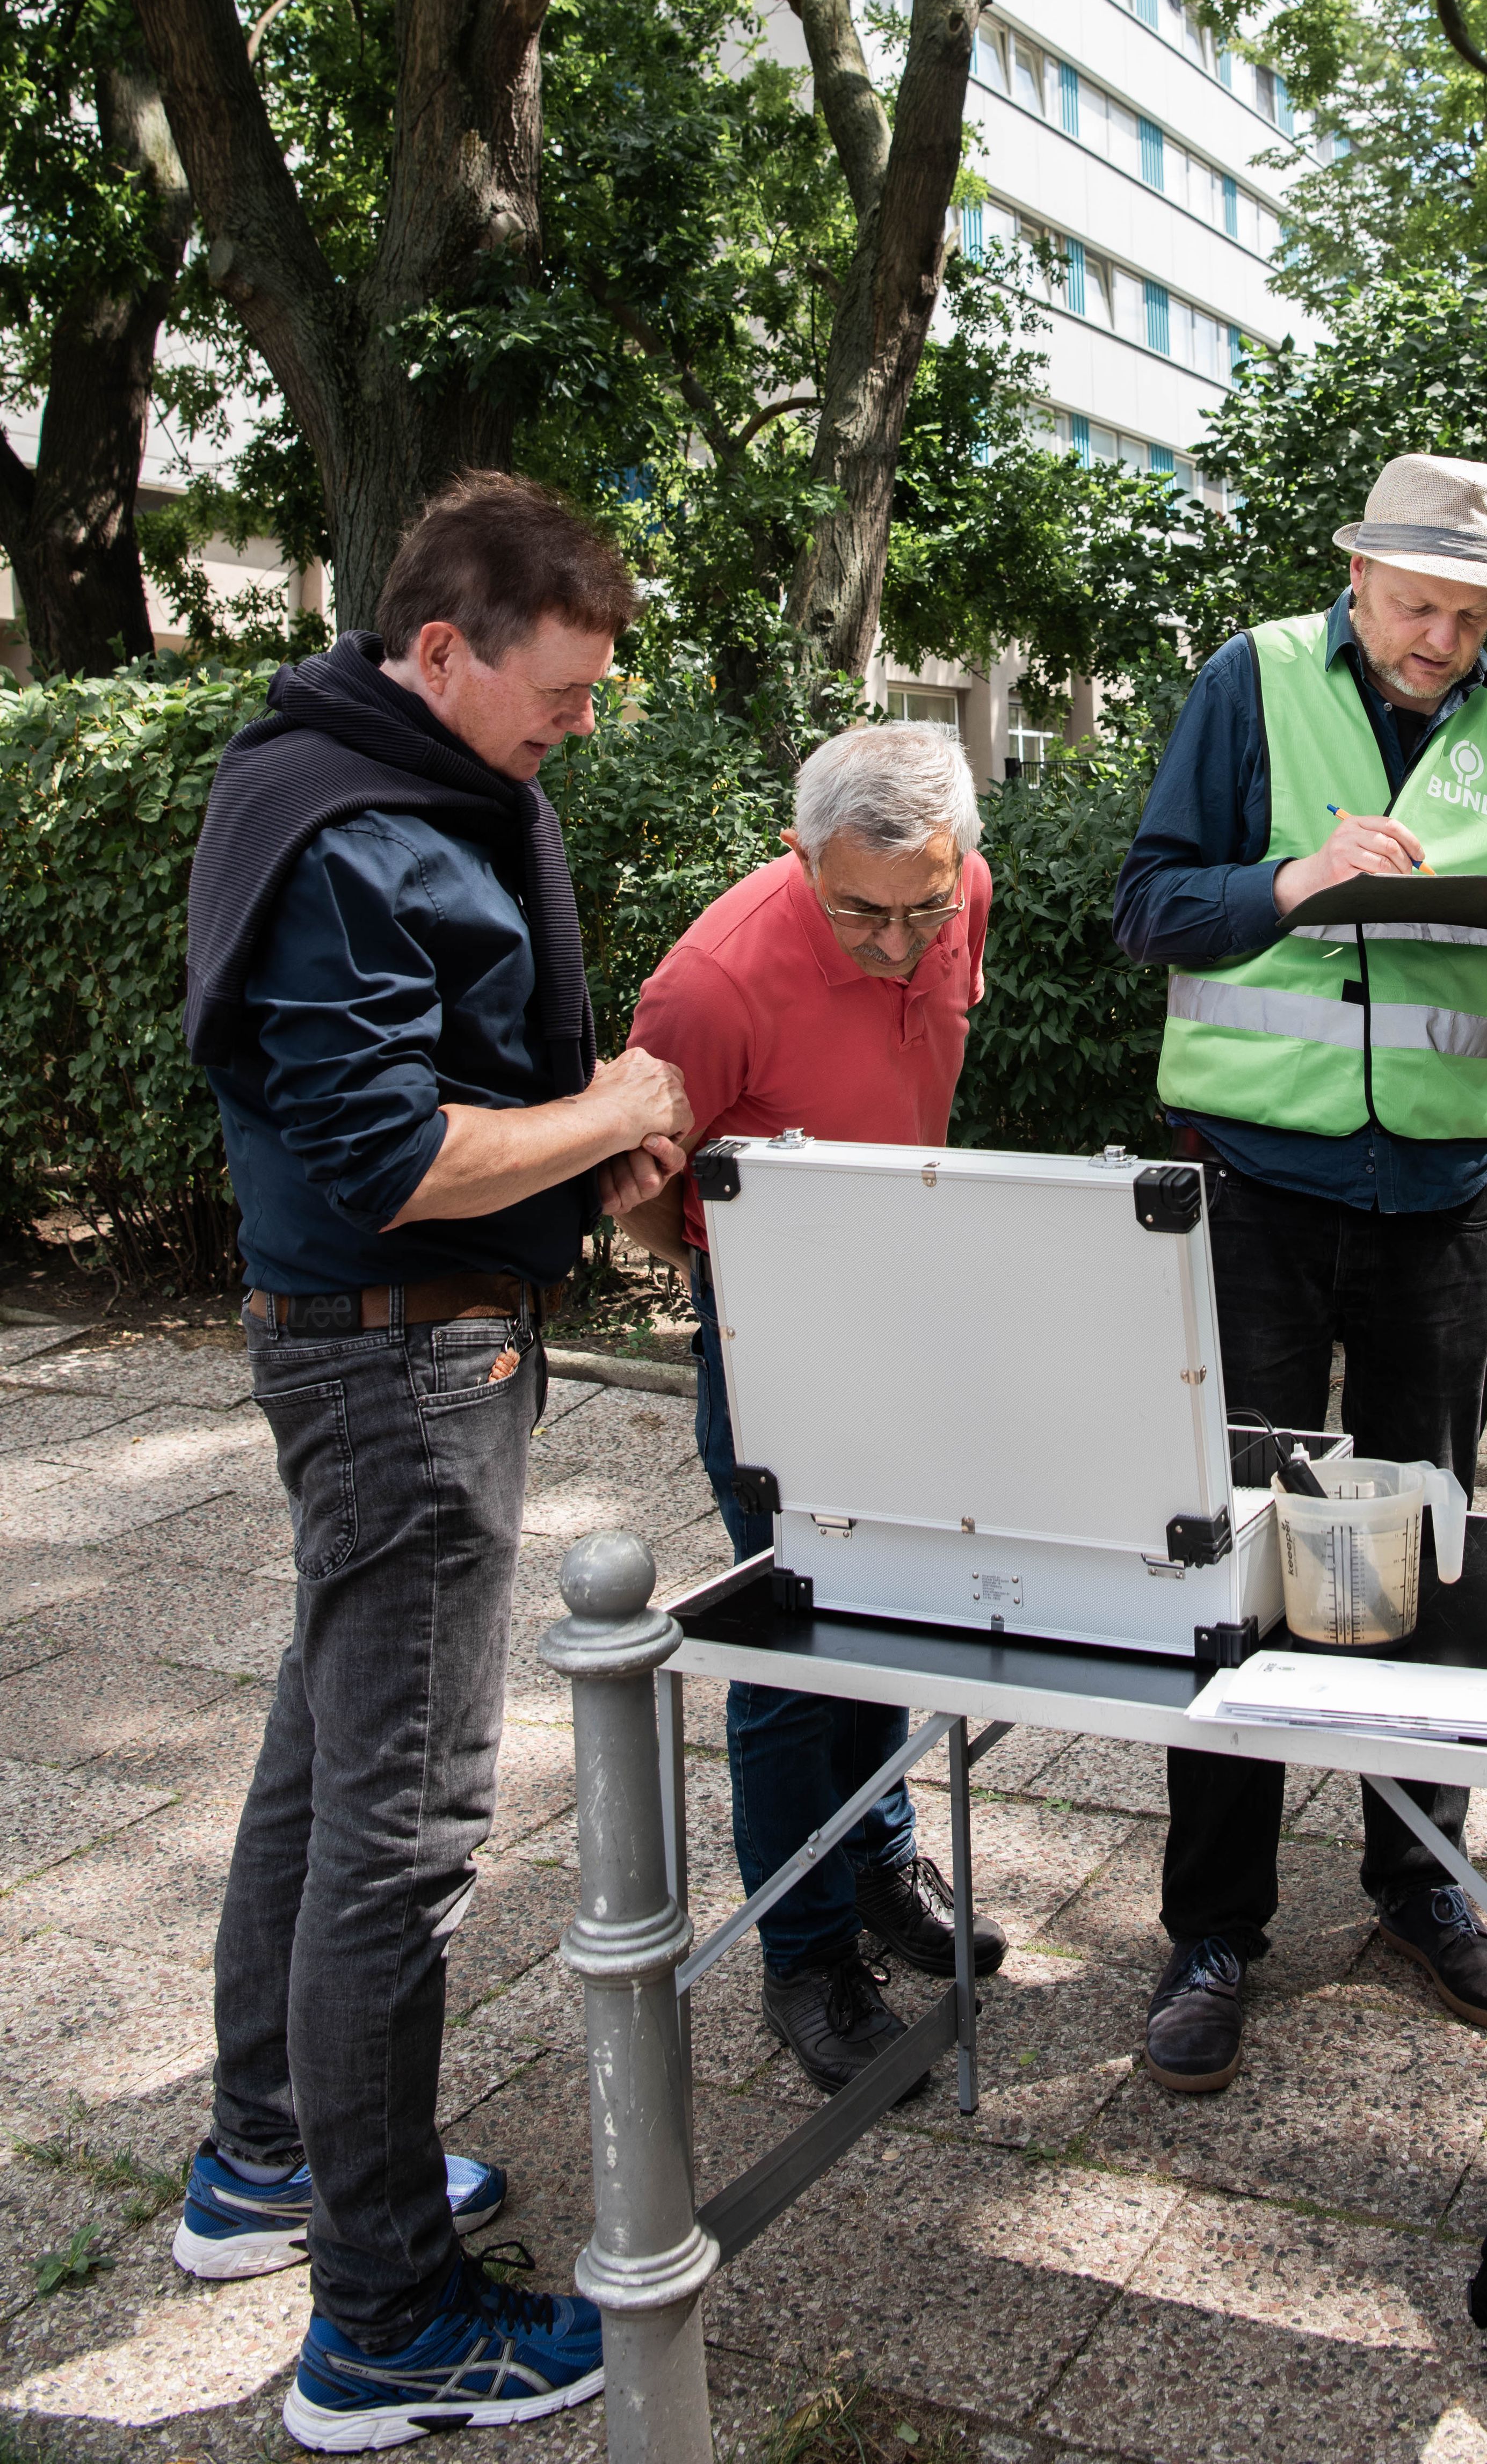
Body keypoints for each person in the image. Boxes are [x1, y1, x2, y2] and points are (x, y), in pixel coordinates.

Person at [176, 474, 693, 2451]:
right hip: (402, 1367)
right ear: (440, 651)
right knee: (402, 1832)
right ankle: (384, 2323)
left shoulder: (393, 779)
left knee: (322, 1768)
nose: (574, 725)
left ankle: (263, 2166)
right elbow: (389, 1158)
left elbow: (448, 1093)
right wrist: (613, 1103)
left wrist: (578, 1133)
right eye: (553, 693)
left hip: (399, 1345)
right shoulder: (344, 829)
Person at [1112, 452, 1487, 2094]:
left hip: (1443, 1191)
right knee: (1235, 1559)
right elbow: (1150, 907)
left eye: (1467, 617)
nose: (1440, 640)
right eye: (1415, 608)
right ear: (1357, 579)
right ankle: (1213, 1932)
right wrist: (1297, 881)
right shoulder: (1248, 678)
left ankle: (1419, 1888)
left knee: (1425, 1549)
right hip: (1254, 1186)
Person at [621, 721, 1012, 2091]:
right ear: (799, 856)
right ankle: (805, 1953)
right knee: (793, 1647)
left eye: (924, 908)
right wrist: (762, 1308)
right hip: (773, 1333)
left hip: (911, 1297)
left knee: (898, 1608)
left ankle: (879, 1862)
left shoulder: (949, 890)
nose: (902, 944)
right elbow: (649, 1215)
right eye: (860, 911)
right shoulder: (710, 989)